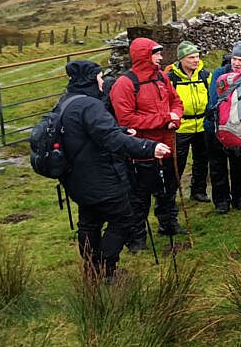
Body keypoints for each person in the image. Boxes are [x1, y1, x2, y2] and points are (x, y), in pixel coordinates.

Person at [58, 61, 171, 279]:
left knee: (89, 221)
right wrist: (149, 147)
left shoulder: (67, 102)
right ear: (91, 79)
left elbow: (88, 133)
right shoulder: (90, 105)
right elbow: (110, 139)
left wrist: (119, 130)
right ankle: (106, 269)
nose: (102, 81)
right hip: (99, 176)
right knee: (123, 219)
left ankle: (92, 268)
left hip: (75, 176)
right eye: (100, 77)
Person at [109, 37, 185, 249]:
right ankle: (137, 237)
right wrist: (164, 119)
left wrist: (176, 117)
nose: (160, 57)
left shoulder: (162, 77)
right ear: (144, 56)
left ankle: (168, 223)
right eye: (156, 54)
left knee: (168, 188)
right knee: (139, 196)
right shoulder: (125, 84)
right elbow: (126, 120)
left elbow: (176, 101)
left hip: (167, 144)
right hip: (141, 150)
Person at [205, 42, 241, 214]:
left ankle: (240, 198)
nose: (236, 63)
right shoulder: (219, 73)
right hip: (216, 125)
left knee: (239, 164)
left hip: (239, 127)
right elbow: (214, 100)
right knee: (217, 165)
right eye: (234, 59)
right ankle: (221, 201)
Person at [166, 40, 211, 202]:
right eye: (191, 57)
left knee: (202, 160)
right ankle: (170, 195)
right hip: (181, 127)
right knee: (177, 163)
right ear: (181, 59)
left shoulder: (205, 75)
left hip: (202, 125)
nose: (196, 60)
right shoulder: (170, 78)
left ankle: (198, 191)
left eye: (197, 56)